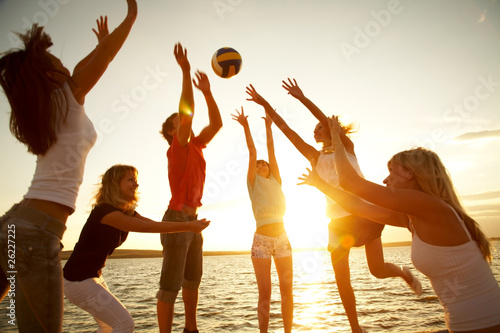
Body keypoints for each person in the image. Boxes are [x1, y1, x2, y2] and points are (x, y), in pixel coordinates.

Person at [0, 1, 137, 332]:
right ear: (51, 74)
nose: (67, 65)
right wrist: (131, 14)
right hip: (36, 233)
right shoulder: (65, 97)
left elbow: (86, 63)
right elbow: (101, 61)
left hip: (14, 224)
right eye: (58, 62)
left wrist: (100, 42)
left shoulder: (49, 110)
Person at [246, 80, 421, 333]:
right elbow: (286, 130)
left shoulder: (346, 148)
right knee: (342, 279)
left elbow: (327, 121)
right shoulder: (314, 156)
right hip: (337, 222)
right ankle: (355, 328)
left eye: (320, 128)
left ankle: (404, 274)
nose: (315, 131)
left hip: (366, 213)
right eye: (315, 129)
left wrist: (302, 98)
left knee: (378, 270)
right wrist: (265, 104)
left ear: (331, 130)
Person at [299, 116, 500, 333]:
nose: (386, 180)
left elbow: (351, 183)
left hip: (486, 325)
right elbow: (357, 206)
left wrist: (338, 142)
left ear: (412, 174)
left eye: (392, 173)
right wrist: (320, 185)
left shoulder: (431, 206)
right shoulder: (413, 217)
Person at [63, 164, 210, 333]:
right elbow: (145, 228)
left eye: (136, 180)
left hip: (90, 278)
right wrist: (189, 226)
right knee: (124, 324)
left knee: (108, 327)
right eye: (131, 180)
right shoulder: (105, 213)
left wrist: (189, 225)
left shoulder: (124, 210)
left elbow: (152, 224)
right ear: (115, 183)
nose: (136, 184)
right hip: (77, 281)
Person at [157, 42, 223, 333]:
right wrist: (185, 72)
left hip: (193, 221)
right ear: (173, 132)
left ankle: (191, 329)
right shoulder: (178, 146)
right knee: (170, 285)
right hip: (176, 220)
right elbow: (188, 114)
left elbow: (217, 123)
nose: (185, 123)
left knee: (192, 281)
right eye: (179, 122)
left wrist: (208, 92)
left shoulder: (196, 145)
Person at [232, 107, 294, 333]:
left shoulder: (276, 180)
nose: (261, 165)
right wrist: (246, 125)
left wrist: (268, 125)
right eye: (257, 164)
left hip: (282, 239)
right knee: (265, 292)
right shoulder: (253, 183)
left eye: (263, 164)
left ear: (269, 169)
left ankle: (288, 331)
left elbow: (271, 149)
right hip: (261, 241)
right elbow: (252, 151)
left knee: (287, 289)